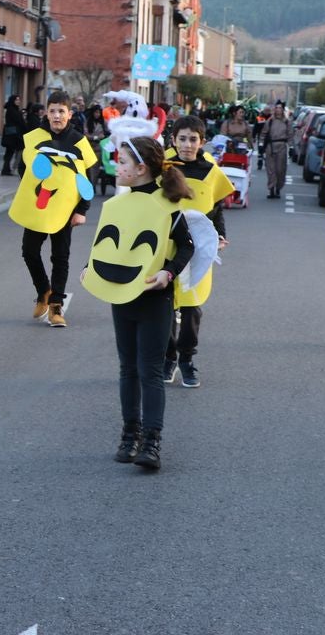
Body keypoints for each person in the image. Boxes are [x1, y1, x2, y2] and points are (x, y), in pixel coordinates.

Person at [81, 135, 194, 471]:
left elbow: (186, 246)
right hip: (122, 295)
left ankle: (151, 440)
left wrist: (168, 273)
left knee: (150, 371)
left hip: (155, 299)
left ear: (140, 168)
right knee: (127, 368)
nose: (116, 165)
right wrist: (92, 268)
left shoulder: (166, 206)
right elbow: (107, 245)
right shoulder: (116, 205)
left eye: (123, 161)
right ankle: (129, 435)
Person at [9, 90, 97, 328]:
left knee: (60, 256)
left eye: (61, 111)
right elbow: (23, 169)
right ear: (46, 113)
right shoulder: (34, 137)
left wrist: (82, 209)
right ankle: (44, 292)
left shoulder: (79, 141)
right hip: (38, 206)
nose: (57, 115)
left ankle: (56, 306)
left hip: (65, 210)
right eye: (52, 111)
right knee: (29, 251)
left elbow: (87, 178)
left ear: (69, 114)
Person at [164, 116, 235, 388]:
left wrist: (220, 235)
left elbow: (216, 210)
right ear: (173, 140)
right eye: (182, 138)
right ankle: (168, 357)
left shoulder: (210, 170)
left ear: (202, 142)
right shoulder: (163, 166)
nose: (187, 144)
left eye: (193, 139)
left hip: (197, 246)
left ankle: (186, 359)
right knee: (167, 304)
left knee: (192, 306)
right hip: (167, 244)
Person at [259, 101, 291, 198]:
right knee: (271, 169)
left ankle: (278, 187)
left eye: (280, 108)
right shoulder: (270, 121)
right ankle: (271, 189)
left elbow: (290, 135)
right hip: (271, 146)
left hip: (282, 146)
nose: (278, 110)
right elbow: (263, 133)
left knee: (280, 169)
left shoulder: (287, 122)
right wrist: (261, 144)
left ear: (283, 110)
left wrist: (292, 147)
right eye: (276, 108)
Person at [1, 93, 26, 175]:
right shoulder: (11, 110)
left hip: (13, 134)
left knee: (10, 152)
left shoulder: (14, 109)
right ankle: (7, 169)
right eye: (16, 100)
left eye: (19, 100)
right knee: (10, 152)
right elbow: (18, 121)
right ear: (13, 101)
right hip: (13, 135)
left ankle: (7, 169)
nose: (18, 101)